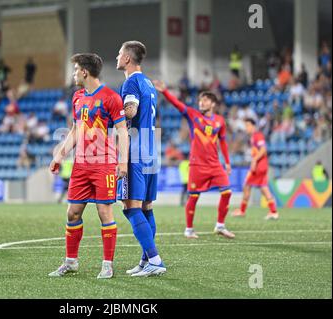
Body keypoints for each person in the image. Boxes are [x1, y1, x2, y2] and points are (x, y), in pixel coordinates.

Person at [48, 53, 129, 279]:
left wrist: (122, 161)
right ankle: (71, 262)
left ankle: (107, 264)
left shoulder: (111, 97)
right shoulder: (77, 98)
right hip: (81, 165)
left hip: (103, 164)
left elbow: (123, 131)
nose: (73, 74)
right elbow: (75, 130)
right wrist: (60, 155)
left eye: (75, 70)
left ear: (84, 71)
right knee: (73, 213)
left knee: (104, 211)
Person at [154, 80, 235, 240]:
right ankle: (189, 229)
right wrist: (165, 92)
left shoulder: (219, 121)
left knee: (227, 192)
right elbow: (178, 105)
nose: (201, 103)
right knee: (193, 197)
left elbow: (223, 142)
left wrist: (227, 162)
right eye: (200, 100)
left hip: (215, 165)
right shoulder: (193, 115)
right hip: (197, 165)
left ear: (213, 103)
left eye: (204, 100)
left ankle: (220, 225)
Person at [116, 40, 167, 277]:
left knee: (130, 208)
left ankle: (155, 260)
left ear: (127, 58)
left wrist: (113, 116)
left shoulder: (131, 82)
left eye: (119, 54)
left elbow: (131, 111)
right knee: (146, 207)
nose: (117, 58)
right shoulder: (149, 83)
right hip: (151, 148)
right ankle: (146, 260)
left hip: (135, 149)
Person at [232, 118, 279, 220]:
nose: (246, 128)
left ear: (253, 126)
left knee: (247, 185)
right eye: (246, 126)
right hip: (261, 165)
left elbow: (263, 150)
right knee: (263, 188)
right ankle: (273, 211)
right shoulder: (253, 137)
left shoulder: (258, 135)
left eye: (248, 126)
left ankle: (242, 211)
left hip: (259, 166)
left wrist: (254, 161)